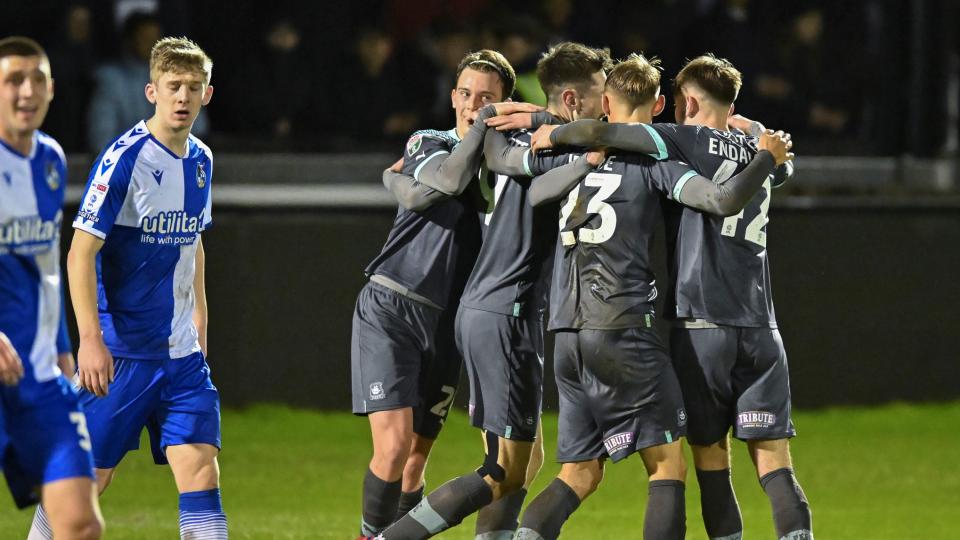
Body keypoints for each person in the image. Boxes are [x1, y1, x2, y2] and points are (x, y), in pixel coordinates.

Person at [482, 54, 792, 539]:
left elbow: (539, 192)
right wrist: (762, 150)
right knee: (668, 466)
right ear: (662, 104)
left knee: (579, 473)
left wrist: (548, 126)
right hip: (624, 326)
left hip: (565, 332)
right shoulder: (657, 162)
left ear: (605, 103)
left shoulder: (576, 157)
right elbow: (721, 199)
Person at [380, 41, 612, 540]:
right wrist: (588, 158)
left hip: (498, 309)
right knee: (500, 469)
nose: (607, 104)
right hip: (506, 311)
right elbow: (546, 185)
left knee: (523, 463)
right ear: (572, 101)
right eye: (600, 94)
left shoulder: (529, 134)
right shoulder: (557, 144)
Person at [352, 49, 538, 539]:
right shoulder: (430, 141)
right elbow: (445, 182)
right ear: (453, 95)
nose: (472, 105)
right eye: (465, 93)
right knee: (391, 449)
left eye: (486, 98)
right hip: (393, 304)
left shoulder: (512, 160)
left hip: (451, 322)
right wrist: (481, 129)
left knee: (414, 462)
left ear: (506, 103)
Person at [49, 37, 226, 540]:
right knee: (86, 483)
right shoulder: (124, 159)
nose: (183, 97)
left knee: (202, 473)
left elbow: (193, 245)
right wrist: (89, 339)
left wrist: (199, 325)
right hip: (122, 353)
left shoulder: (202, 160)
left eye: (194, 87)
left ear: (207, 94)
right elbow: (81, 251)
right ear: (152, 90)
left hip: (182, 356)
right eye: (173, 87)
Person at [0, 36, 103, 540]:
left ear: (52, 89)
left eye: (36, 79)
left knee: (80, 524)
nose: (26, 91)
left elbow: (47, 264)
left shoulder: (51, 161)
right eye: (13, 80)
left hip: (39, 377)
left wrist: (64, 346)